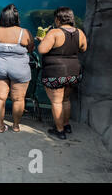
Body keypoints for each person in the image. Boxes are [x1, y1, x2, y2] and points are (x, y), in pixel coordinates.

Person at [37, 7, 87, 140]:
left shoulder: (54, 33)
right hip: (74, 73)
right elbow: (84, 48)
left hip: (56, 73)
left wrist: (42, 40)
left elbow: (42, 49)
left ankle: (59, 131)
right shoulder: (80, 33)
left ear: (58, 19)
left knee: (56, 101)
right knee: (66, 100)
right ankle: (66, 125)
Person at [0, 4, 34, 133]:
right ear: (16, 17)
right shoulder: (24, 32)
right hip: (20, 69)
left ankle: (0, 126)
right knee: (18, 99)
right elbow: (31, 48)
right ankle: (15, 125)